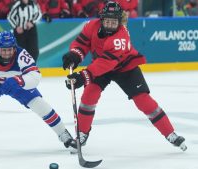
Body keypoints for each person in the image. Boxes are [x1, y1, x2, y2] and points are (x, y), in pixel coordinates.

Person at [62, 1, 187, 151]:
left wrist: (83, 76)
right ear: (101, 19)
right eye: (107, 21)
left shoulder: (121, 36)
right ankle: (82, 134)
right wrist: (74, 55)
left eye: (113, 22)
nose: (109, 25)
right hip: (100, 66)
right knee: (89, 96)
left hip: (125, 67)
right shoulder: (91, 26)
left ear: (119, 22)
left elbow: (106, 63)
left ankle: (170, 133)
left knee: (143, 101)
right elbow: (81, 44)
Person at [0, 30, 76, 152]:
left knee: (39, 104)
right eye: (4, 50)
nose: (7, 53)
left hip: (16, 84)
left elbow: (35, 75)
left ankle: (63, 133)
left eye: (10, 49)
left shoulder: (22, 55)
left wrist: (19, 81)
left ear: (14, 47)